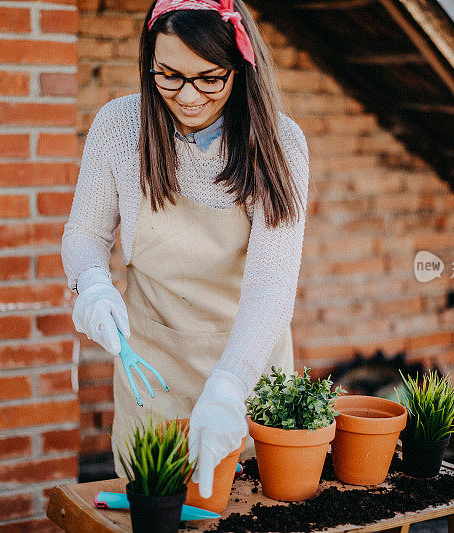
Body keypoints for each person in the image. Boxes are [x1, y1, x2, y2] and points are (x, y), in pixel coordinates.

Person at [61, 0, 310, 499]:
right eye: (169, 76)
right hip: (154, 372)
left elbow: (272, 284)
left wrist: (232, 385)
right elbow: (85, 234)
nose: (188, 96)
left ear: (240, 69)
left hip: (250, 365)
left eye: (209, 78)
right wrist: (91, 284)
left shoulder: (279, 143)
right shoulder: (118, 129)